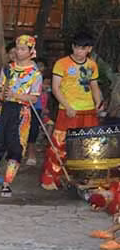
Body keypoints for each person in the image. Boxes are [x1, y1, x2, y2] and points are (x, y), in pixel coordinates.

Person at [0, 35, 42, 197]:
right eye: (18, 48)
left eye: (23, 49)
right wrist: (3, 94)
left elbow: (34, 98)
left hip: (21, 112)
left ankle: (7, 184)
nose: (19, 52)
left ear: (31, 51)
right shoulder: (8, 69)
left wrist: (15, 95)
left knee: (16, 147)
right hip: (3, 110)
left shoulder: (35, 73)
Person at [41, 34, 103, 190]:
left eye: (83, 48)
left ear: (89, 49)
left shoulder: (92, 65)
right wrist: (67, 106)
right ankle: (50, 178)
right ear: (72, 47)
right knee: (60, 144)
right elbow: (55, 88)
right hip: (68, 110)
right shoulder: (61, 63)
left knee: (89, 145)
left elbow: (94, 86)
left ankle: (87, 178)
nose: (78, 51)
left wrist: (98, 103)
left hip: (88, 110)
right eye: (76, 47)